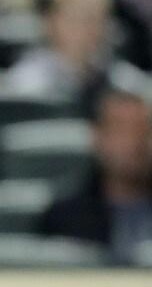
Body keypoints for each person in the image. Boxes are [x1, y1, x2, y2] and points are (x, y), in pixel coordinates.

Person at [40, 85, 152, 263]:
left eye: (143, 130)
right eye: (121, 131)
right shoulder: (65, 216)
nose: (133, 142)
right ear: (98, 137)